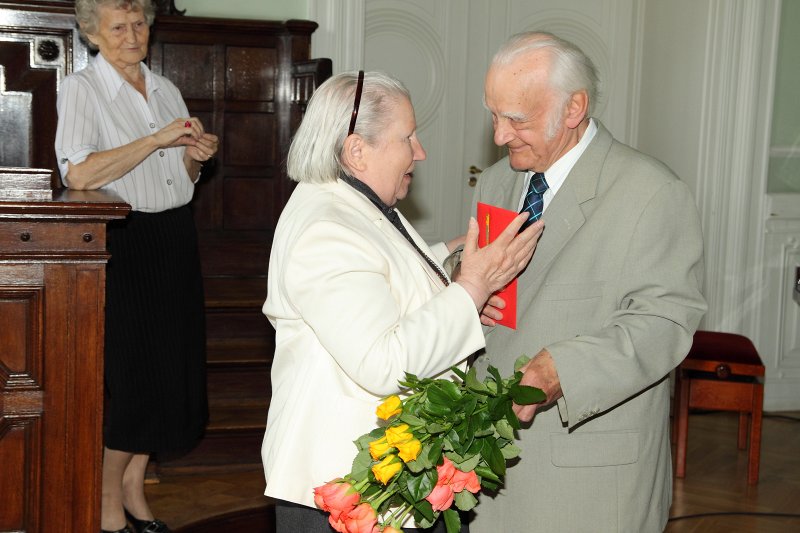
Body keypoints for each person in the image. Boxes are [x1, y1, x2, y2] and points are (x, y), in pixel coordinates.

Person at [261, 70, 544, 532]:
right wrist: (471, 288)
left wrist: (451, 256)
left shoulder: (351, 202)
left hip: (382, 480)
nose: (420, 152)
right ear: (357, 149)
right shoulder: (326, 229)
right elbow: (383, 362)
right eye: (407, 137)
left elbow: (381, 278)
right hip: (350, 490)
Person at [469, 32, 708, 532]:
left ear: (574, 108)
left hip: (586, 478)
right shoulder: (497, 182)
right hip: (491, 469)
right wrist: (468, 290)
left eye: (516, 119)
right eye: (494, 114)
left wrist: (566, 368)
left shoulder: (651, 191)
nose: (499, 135)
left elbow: (665, 322)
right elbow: (496, 289)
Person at [54, 1, 219, 532]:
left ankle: (133, 490)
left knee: (171, 373)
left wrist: (196, 156)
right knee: (133, 382)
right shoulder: (83, 89)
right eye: (118, 27)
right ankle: (106, 508)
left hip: (174, 237)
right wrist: (155, 139)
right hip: (124, 243)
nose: (132, 35)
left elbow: (182, 176)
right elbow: (78, 171)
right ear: (92, 34)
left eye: (139, 23)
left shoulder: (166, 88)